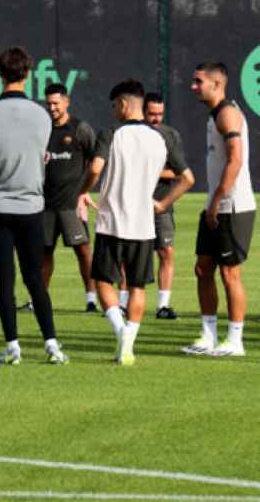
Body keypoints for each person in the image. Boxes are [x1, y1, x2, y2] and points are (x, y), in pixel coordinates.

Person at [83, 79, 193, 365]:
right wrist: (163, 203)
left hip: (111, 222)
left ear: (122, 104)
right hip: (143, 224)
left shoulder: (111, 133)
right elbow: (187, 179)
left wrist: (83, 191)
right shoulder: (161, 137)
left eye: (114, 106)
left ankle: (121, 333)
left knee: (104, 282)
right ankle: (128, 342)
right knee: (138, 287)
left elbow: (95, 169)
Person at [0, 47, 67, 366]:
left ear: (1, 76)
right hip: (30, 205)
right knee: (35, 279)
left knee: (5, 278)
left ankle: (12, 344)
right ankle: (52, 343)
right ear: (28, 74)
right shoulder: (42, 115)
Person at [183, 62, 257, 358]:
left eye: (198, 81)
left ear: (217, 84)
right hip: (214, 206)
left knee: (230, 275)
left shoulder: (228, 114)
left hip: (232, 207)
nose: (193, 86)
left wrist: (216, 202)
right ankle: (208, 335)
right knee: (203, 269)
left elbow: (236, 161)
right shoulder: (213, 116)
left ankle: (235, 340)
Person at [40, 83, 105, 311]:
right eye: (48, 103)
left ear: (66, 102)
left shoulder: (80, 129)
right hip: (44, 204)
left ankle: (91, 299)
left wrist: (84, 192)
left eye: (56, 103)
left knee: (83, 251)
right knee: (44, 252)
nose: (52, 107)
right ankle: (40, 299)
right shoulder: (42, 128)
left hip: (71, 204)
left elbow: (96, 159)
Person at [143, 93, 183, 319]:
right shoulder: (132, 133)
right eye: (152, 114)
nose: (156, 118)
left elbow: (179, 172)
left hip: (161, 202)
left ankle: (163, 305)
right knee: (130, 254)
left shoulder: (170, 135)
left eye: (160, 114)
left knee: (166, 251)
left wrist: (151, 171)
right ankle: (123, 303)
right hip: (136, 202)